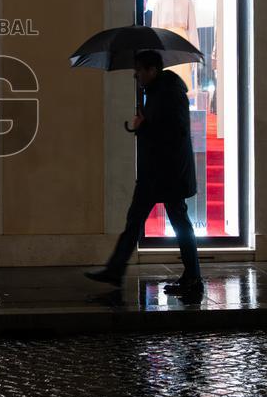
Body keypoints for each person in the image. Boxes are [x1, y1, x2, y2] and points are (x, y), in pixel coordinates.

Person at [85, 50, 203, 295]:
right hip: (157, 172)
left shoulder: (169, 92)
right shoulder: (158, 91)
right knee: (137, 220)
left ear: (152, 70)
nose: (135, 74)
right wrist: (143, 125)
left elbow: (174, 131)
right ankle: (116, 270)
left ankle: (192, 276)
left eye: (139, 70)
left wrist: (144, 126)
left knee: (176, 222)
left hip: (167, 172)